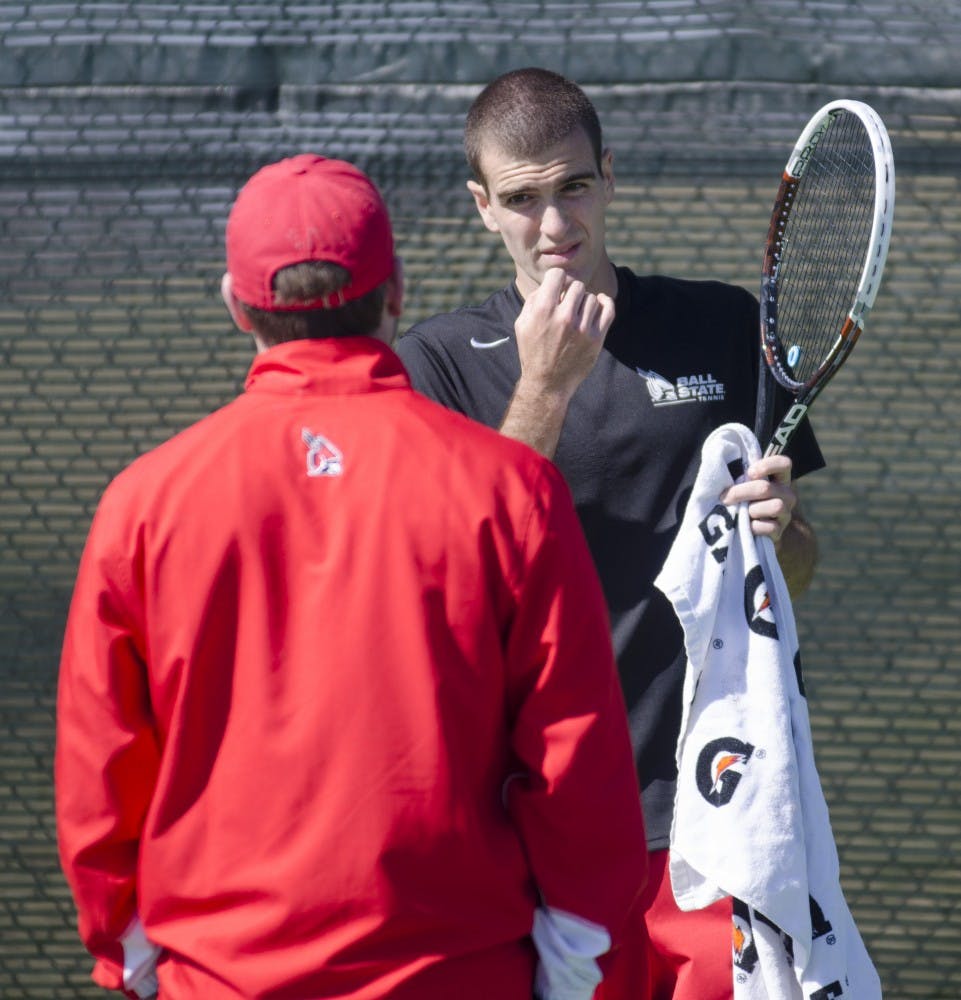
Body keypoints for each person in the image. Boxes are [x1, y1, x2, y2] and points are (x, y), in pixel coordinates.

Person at [55, 152, 649, 1000]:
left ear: (235, 304)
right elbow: (577, 758)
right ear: (395, 289)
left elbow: (100, 766)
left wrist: (137, 958)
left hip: (220, 979)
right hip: (459, 975)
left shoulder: (144, 504)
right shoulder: (508, 489)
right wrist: (565, 967)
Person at [394, 68, 824, 1000]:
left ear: (609, 177)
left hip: (714, 811)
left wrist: (781, 531)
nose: (554, 226)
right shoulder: (429, 366)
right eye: (522, 199)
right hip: (529, 819)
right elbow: (456, 576)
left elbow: (794, 565)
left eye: (574, 186)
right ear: (481, 206)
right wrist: (543, 388)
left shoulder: (720, 327)